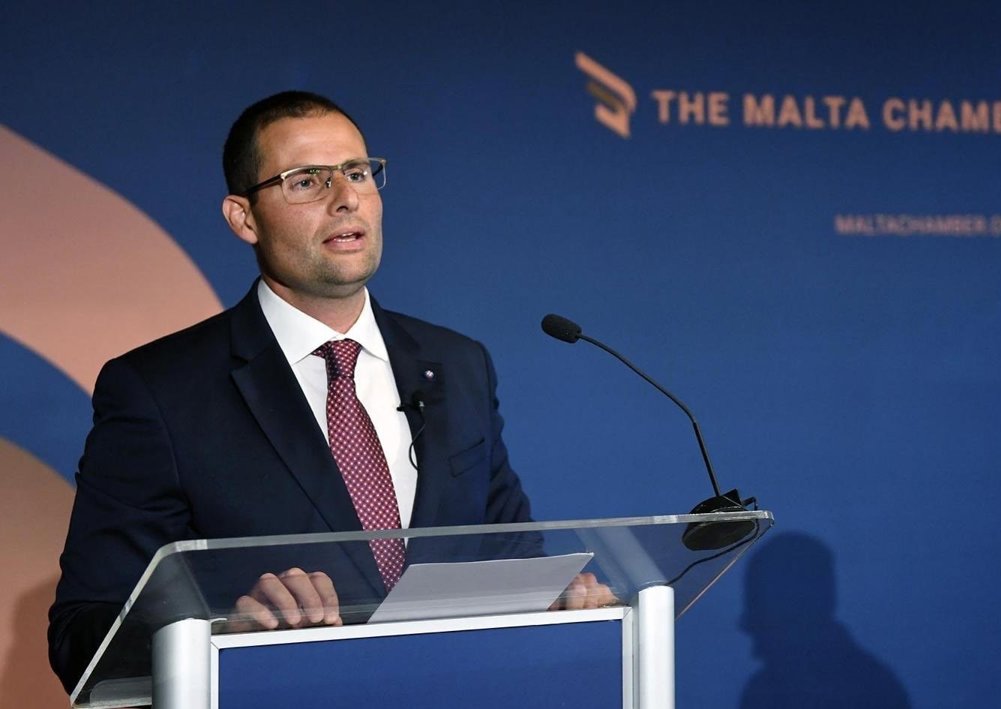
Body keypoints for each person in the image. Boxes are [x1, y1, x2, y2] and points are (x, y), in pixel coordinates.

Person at [48, 91, 609, 693]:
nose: (345, 198)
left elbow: (511, 556)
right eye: (305, 181)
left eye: (357, 173)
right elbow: (84, 636)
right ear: (244, 218)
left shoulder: (458, 364)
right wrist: (222, 636)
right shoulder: (159, 390)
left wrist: (560, 603)